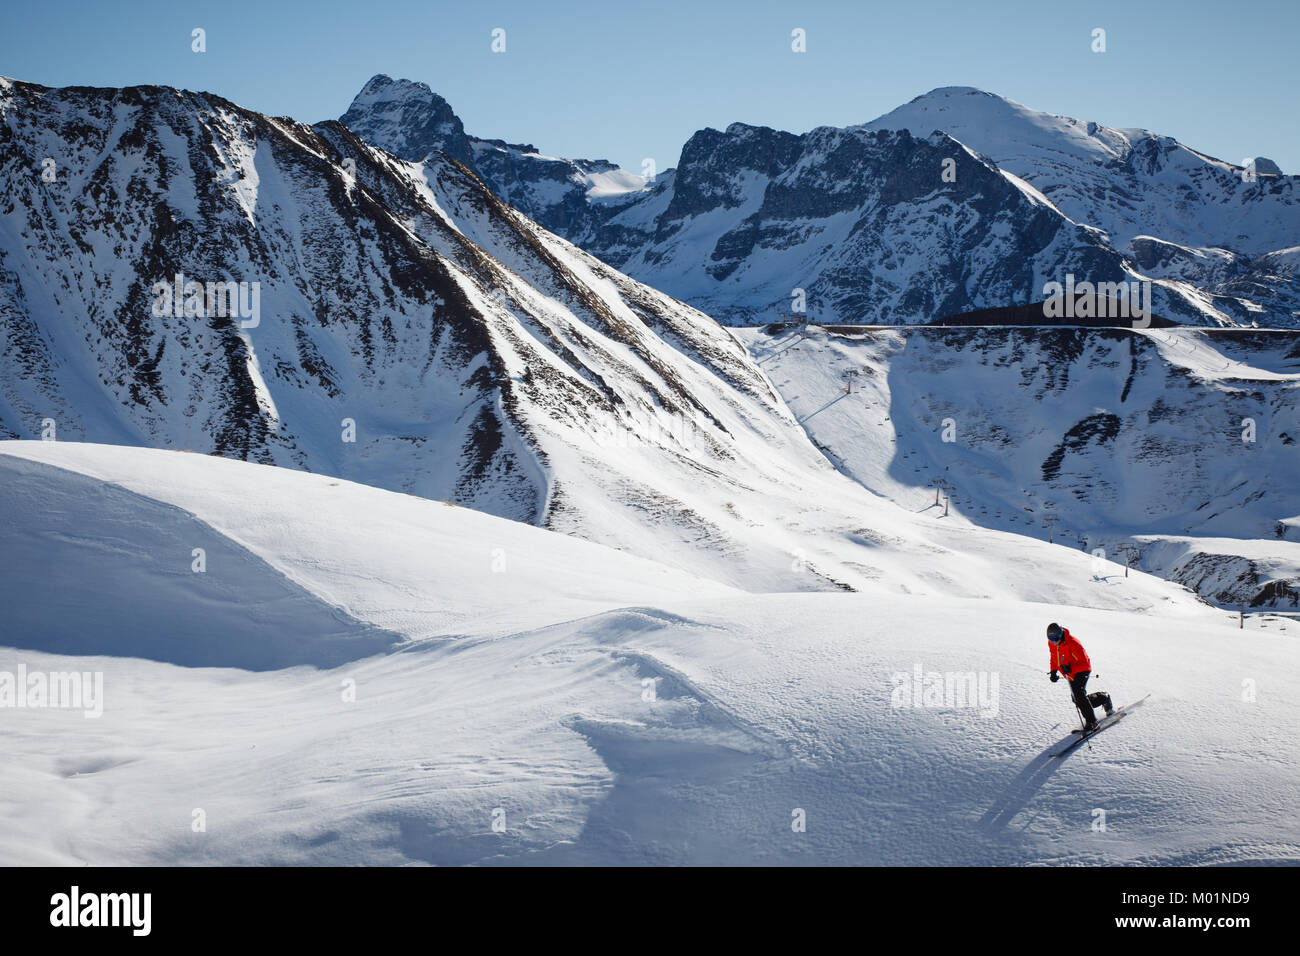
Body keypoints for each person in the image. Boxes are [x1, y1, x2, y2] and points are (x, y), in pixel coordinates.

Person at [1046, 622, 1113, 732]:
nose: (1054, 642)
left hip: (1082, 670)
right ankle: (1103, 698)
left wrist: (1070, 668)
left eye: (1056, 638)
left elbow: (1084, 662)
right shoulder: (1052, 644)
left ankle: (1092, 721)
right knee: (1077, 699)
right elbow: (1054, 658)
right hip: (1069, 673)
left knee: (1079, 694)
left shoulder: (1073, 643)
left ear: (1061, 634)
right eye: (1051, 639)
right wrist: (1053, 671)